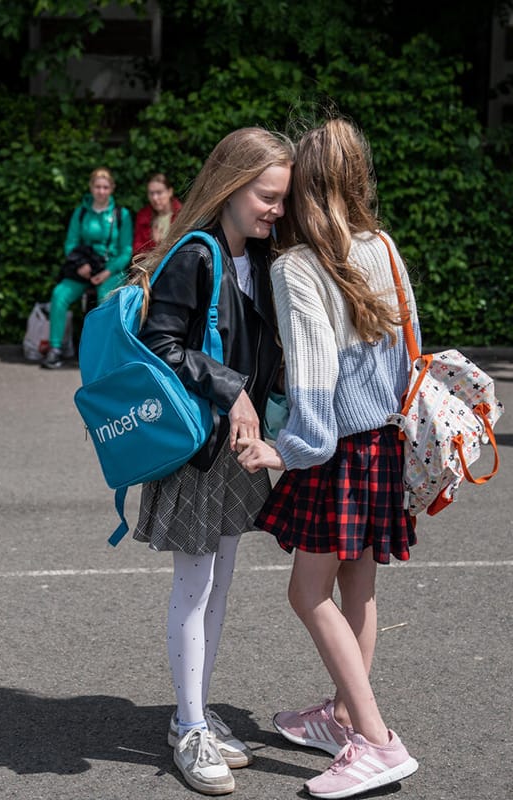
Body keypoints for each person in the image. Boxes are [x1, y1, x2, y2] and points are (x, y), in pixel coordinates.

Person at [235, 119, 421, 799]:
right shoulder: (384, 246)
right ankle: (341, 715)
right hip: (384, 444)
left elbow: (314, 384)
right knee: (358, 590)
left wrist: (280, 450)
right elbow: (411, 347)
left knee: (307, 593)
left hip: (336, 452)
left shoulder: (297, 267)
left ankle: (375, 739)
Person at [130, 128, 291, 795]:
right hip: (198, 448)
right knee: (196, 587)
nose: (277, 210)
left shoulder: (256, 255)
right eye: (267, 196)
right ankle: (190, 726)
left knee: (218, 585)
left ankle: (191, 713)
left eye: (281, 199)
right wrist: (234, 390)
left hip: (234, 449)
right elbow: (159, 343)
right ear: (230, 185)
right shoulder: (196, 254)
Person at [40, 167, 133, 369]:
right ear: (91, 188)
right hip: (83, 268)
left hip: (110, 269)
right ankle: (55, 348)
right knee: (59, 294)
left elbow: (126, 251)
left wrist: (108, 271)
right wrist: (80, 265)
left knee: (106, 298)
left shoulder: (121, 214)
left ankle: (101, 351)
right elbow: (71, 243)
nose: (101, 191)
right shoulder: (81, 212)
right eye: (97, 187)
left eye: (105, 187)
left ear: (112, 188)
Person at [133, 173, 182, 258]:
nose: (155, 198)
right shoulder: (143, 216)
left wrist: (160, 244)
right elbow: (137, 250)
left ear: (170, 192)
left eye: (159, 192)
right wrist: (154, 244)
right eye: (151, 193)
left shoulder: (181, 214)